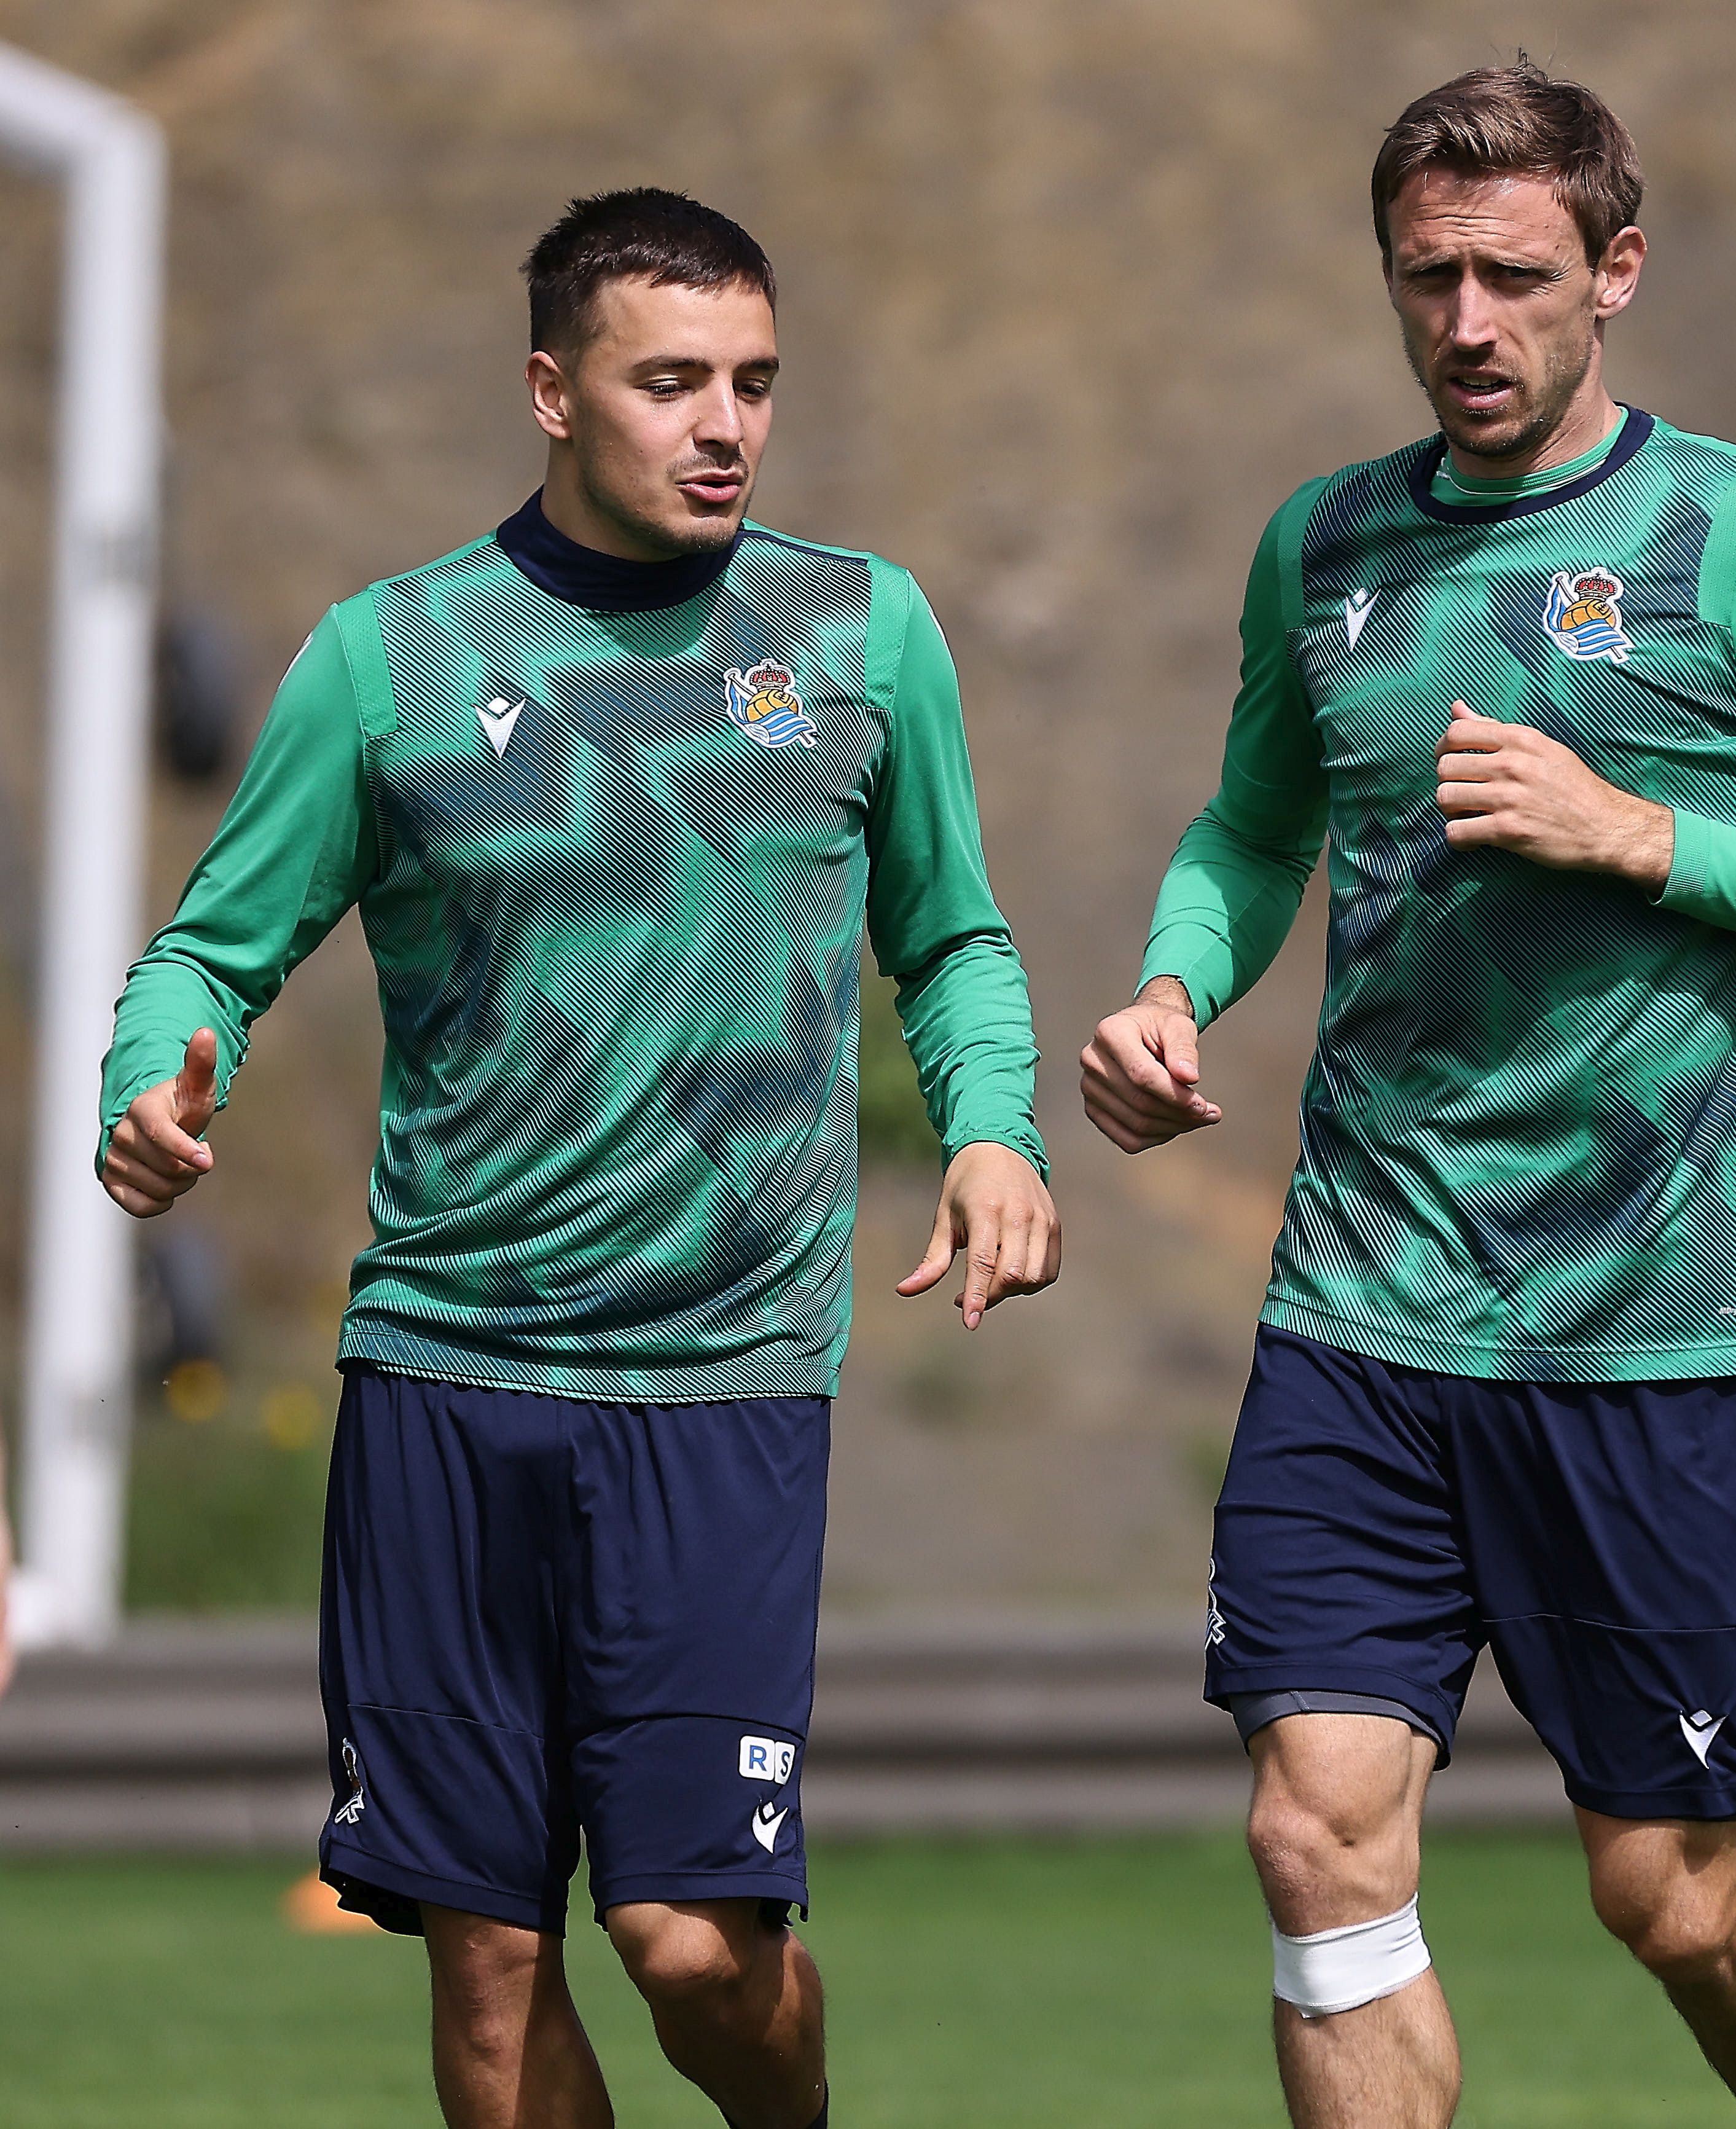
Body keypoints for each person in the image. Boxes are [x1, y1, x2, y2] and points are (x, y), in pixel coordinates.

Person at [1079, 63, 1736, 2129]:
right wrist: (1171, 981)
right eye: (1429, 279)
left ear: (1618, 274)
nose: (1467, 325)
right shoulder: (1326, 547)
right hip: (1363, 1312)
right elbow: (1250, 829)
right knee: (1317, 1836)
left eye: (1513, 276)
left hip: (1650, 1332)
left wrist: (1641, 834)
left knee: (1675, 1901)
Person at [98, 188, 1057, 2129]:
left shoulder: (863, 636)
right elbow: (213, 941)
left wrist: (993, 1128)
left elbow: (951, 934)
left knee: (696, 1943)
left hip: (722, 1383)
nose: (725, 424)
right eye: (672, 381)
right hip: (446, 1379)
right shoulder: (390, 659)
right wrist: (153, 1074)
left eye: (755, 384)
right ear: (552, 390)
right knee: (486, 1977)